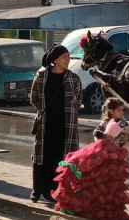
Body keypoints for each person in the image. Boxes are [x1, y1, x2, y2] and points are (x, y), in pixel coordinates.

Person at [29, 44, 82, 203]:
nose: (68, 60)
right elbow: (34, 98)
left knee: (62, 157)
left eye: (68, 56)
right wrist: (44, 111)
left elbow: (78, 101)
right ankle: (37, 190)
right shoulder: (42, 76)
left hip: (66, 125)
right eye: (64, 57)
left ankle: (56, 191)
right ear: (55, 59)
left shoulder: (73, 78)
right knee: (41, 156)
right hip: (46, 124)